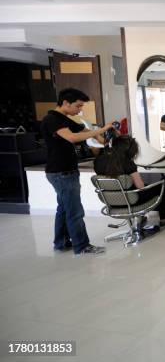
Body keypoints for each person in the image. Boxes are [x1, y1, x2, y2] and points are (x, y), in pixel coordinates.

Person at [40, 88, 116, 255]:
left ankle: (61, 243)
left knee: (64, 209)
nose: (80, 109)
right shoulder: (52, 119)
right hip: (61, 172)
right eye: (78, 106)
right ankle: (82, 246)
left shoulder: (64, 118)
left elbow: (84, 131)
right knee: (75, 210)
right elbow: (73, 137)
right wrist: (101, 130)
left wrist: (102, 139)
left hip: (63, 171)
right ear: (66, 103)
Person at [93, 135, 165, 226]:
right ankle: (164, 218)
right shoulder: (127, 162)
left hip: (111, 201)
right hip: (131, 201)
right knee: (160, 186)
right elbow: (140, 187)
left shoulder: (98, 161)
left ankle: (140, 218)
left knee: (140, 188)